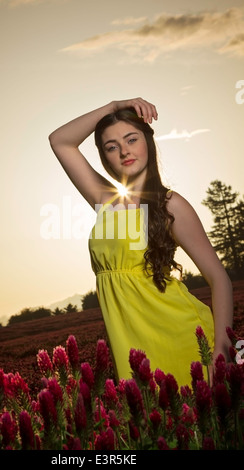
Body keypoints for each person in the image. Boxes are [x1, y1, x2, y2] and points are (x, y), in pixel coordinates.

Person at [48, 97, 233, 387]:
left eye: (131, 139)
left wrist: (222, 352)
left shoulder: (171, 205)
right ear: (104, 156)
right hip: (132, 347)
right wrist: (113, 106)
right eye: (111, 146)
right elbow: (60, 141)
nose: (124, 151)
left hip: (186, 338)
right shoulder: (104, 200)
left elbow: (218, 277)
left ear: (148, 140)